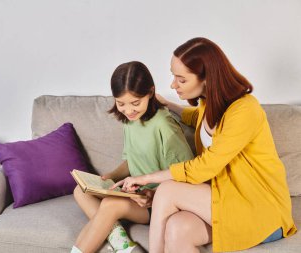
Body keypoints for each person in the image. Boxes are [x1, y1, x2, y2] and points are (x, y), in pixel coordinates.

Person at [112, 38, 297, 253]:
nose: (173, 84)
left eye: (181, 79)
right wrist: (168, 104)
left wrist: (146, 178)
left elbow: (205, 167)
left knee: (167, 190)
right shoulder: (209, 104)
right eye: (173, 76)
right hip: (226, 198)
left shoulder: (245, 110)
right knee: (177, 228)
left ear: (207, 78)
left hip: (260, 208)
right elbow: (195, 117)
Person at [71, 61, 194, 253]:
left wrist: (153, 195)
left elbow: (185, 174)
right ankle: (122, 243)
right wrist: (109, 177)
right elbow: (131, 161)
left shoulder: (164, 125)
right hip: (134, 192)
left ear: (151, 93)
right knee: (80, 191)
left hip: (157, 202)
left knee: (110, 205)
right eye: (121, 104)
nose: (128, 111)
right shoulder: (130, 120)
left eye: (135, 103)